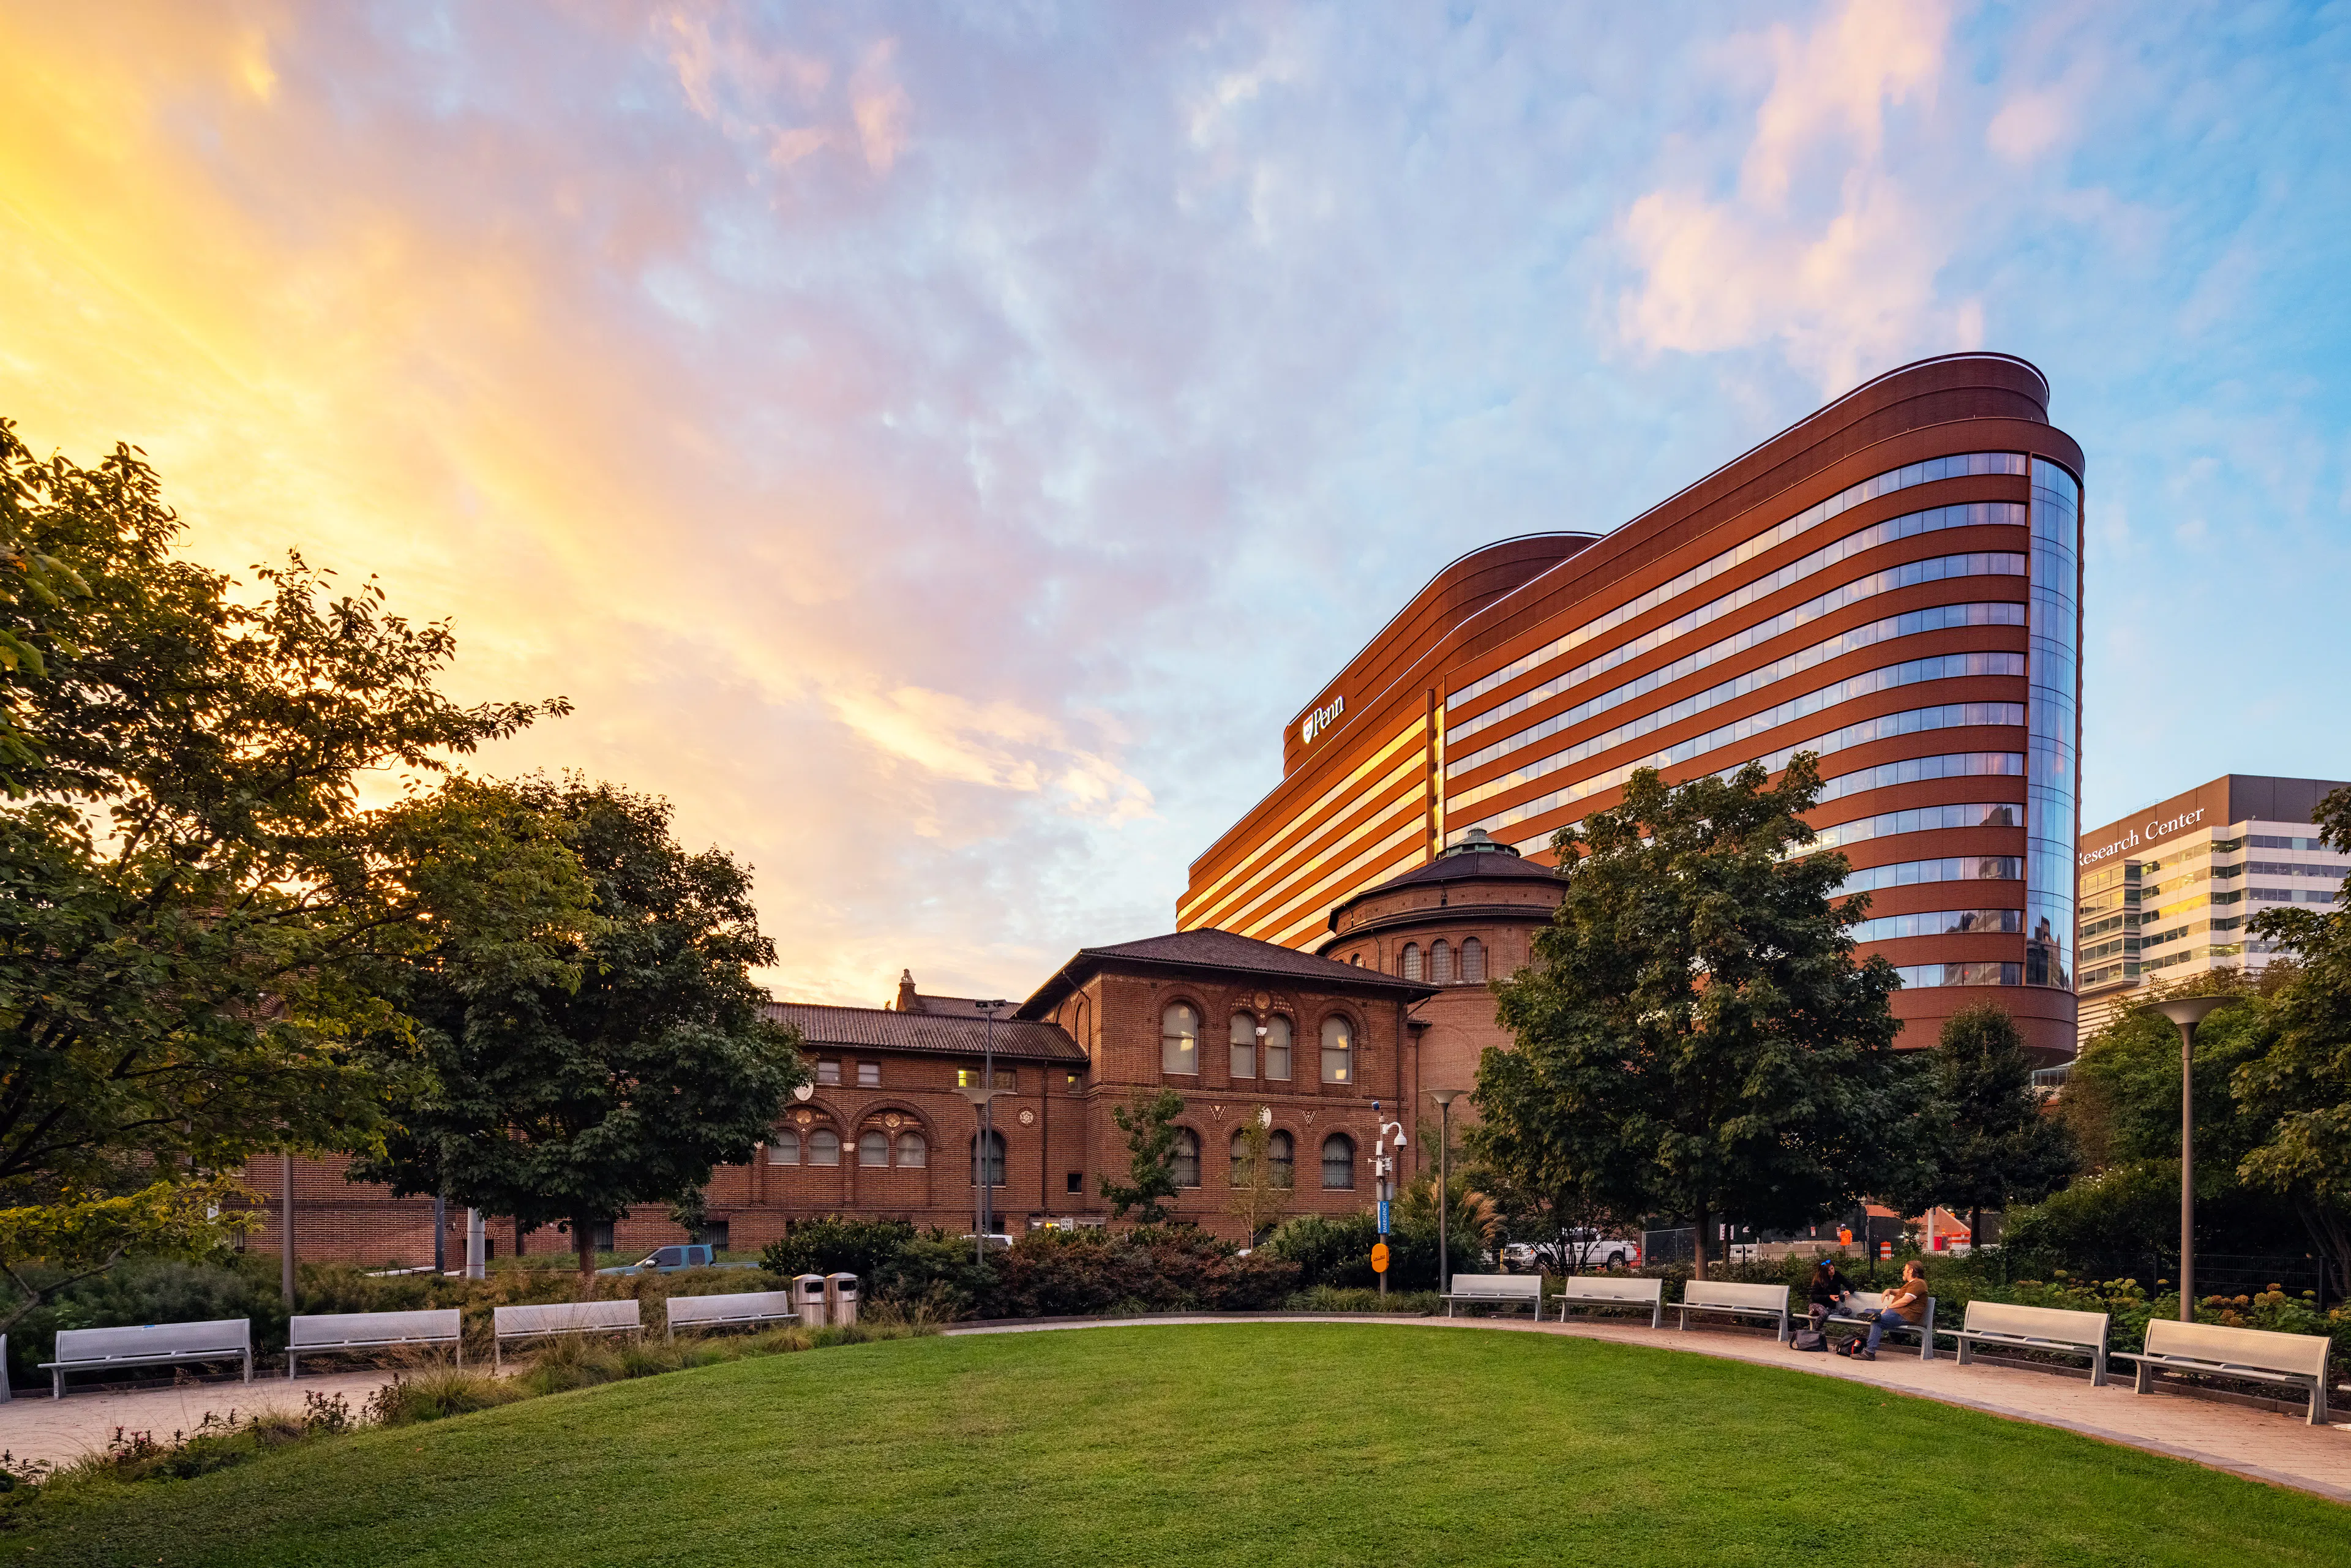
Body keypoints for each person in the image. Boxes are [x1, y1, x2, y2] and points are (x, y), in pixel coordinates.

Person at [1839, 1259, 1928, 1360]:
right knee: (1868, 1310)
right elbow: (1902, 1292)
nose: (1903, 1271)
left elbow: (1905, 1300)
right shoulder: (1912, 1284)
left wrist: (1888, 1307)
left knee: (1878, 1322)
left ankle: (1869, 1353)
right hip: (1896, 1312)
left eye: (1905, 1269)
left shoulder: (1918, 1283)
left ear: (1911, 1271)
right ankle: (1876, 1317)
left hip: (1905, 1315)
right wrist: (1890, 1290)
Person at [1804, 1257, 1854, 1336]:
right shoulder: (1819, 1280)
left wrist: (1849, 1291)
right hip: (1817, 1304)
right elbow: (1814, 1296)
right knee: (1824, 1313)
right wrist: (1829, 1297)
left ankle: (1820, 1314)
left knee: (1847, 1311)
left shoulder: (1837, 1275)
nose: (1832, 1271)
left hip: (1830, 1308)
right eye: (1829, 1271)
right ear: (1825, 1272)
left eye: (1832, 1268)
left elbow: (1851, 1285)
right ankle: (1814, 1333)